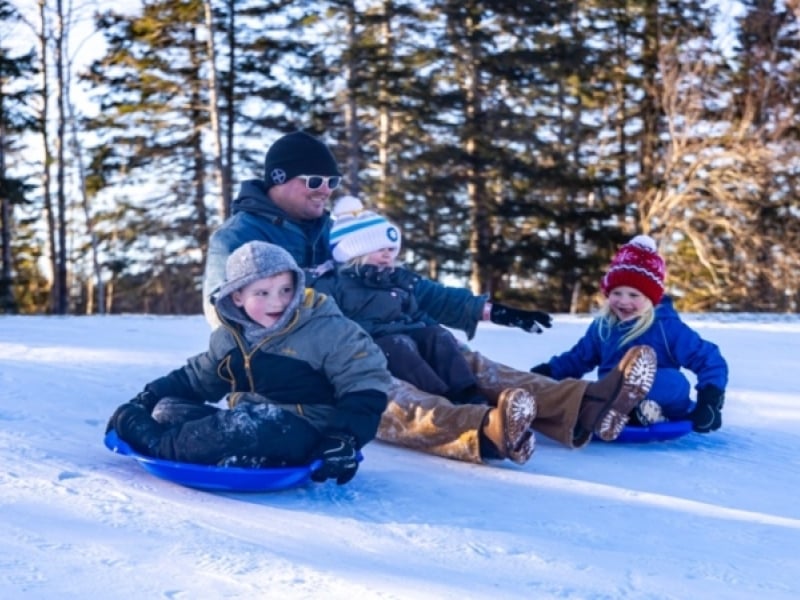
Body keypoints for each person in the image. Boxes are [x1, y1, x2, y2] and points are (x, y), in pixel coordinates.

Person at [201, 130, 658, 465]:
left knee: (465, 361)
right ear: (279, 180)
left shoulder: (327, 228)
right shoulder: (240, 236)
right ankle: (483, 430)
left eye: (332, 182)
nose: (326, 192)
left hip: (369, 333)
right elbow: (224, 314)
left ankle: (582, 404)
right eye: (314, 181)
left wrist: (487, 308)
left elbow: (403, 285)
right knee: (385, 391)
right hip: (297, 359)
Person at [106, 241, 392, 485]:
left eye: (285, 289)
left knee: (245, 425)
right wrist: (148, 397)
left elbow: (365, 384)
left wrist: (343, 438)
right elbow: (196, 378)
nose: (277, 302)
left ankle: (156, 444)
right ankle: (246, 459)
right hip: (252, 423)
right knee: (167, 409)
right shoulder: (230, 338)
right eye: (262, 293)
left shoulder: (329, 330)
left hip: (309, 431)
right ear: (238, 297)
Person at [313, 196, 539, 463]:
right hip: (372, 345)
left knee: (438, 336)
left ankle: (469, 395)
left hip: (405, 336)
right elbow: (327, 319)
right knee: (398, 345)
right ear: (354, 251)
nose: (388, 253)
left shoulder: (398, 281)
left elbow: (418, 312)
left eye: (391, 248)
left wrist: (442, 332)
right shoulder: (335, 284)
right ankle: (443, 399)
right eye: (380, 248)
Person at [530, 235, 728, 433]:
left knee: (674, 382)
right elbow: (578, 358)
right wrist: (548, 372)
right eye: (617, 293)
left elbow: (708, 358)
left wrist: (709, 400)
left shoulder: (666, 327)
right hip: (611, 395)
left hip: (661, 395)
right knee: (579, 388)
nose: (623, 302)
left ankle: (639, 412)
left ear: (651, 299)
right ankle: (612, 413)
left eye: (634, 295)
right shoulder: (604, 326)